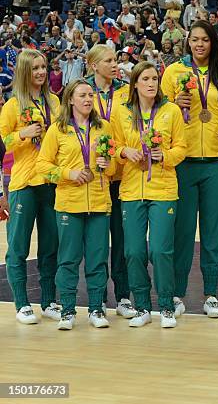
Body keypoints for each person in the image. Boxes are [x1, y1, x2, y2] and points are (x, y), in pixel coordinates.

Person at [161, 20, 218, 318]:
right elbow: (159, 112)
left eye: (204, 40)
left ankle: (210, 294)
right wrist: (172, 102)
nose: (199, 45)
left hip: (217, 162)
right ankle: (178, 294)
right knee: (181, 232)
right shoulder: (173, 73)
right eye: (194, 39)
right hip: (184, 162)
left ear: (212, 42)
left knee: (213, 232)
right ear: (188, 42)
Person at [111, 61, 187, 328]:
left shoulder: (171, 111)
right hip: (131, 189)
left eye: (155, 78)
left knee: (160, 249)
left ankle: (166, 305)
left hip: (164, 188)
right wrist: (124, 152)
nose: (152, 83)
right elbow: (114, 145)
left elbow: (181, 148)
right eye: (146, 79)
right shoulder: (121, 113)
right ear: (135, 84)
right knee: (132, 251)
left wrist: (163, 155)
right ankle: (142, 306)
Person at [36, 79, 116, 330]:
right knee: (68, 259)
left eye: (91, 95)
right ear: (70, 99)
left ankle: (96, 309)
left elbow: (113, 168)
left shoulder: (105, 128)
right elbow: (42, 166)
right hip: (69, 204)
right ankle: (68, 311)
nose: (88, 99)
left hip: (99, 204)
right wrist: (69, 174)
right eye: (82, 95)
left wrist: (108, 165)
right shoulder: (57, 130)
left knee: (98, 259)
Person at [0, 49, 61, 324]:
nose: (40, 72)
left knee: (51, 245)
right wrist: (21, 134)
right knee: (18, 246)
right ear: (25, 71)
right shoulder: (12, 106)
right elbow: (2, 144)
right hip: (24, 182)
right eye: (35, 68)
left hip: (51, 183)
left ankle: (48, 301)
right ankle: (22, 304)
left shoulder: (55, 101)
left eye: (43, 67)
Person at [85, 44, 135, 318]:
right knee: (97, 241)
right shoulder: (83, 92)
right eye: (108, 61)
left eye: (115, 60)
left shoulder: (127, 91)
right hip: (95, 177)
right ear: (94, 66)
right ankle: (98, 295)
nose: (115, 64)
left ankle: (124, 295)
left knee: (122, 238)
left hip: (122, 174)